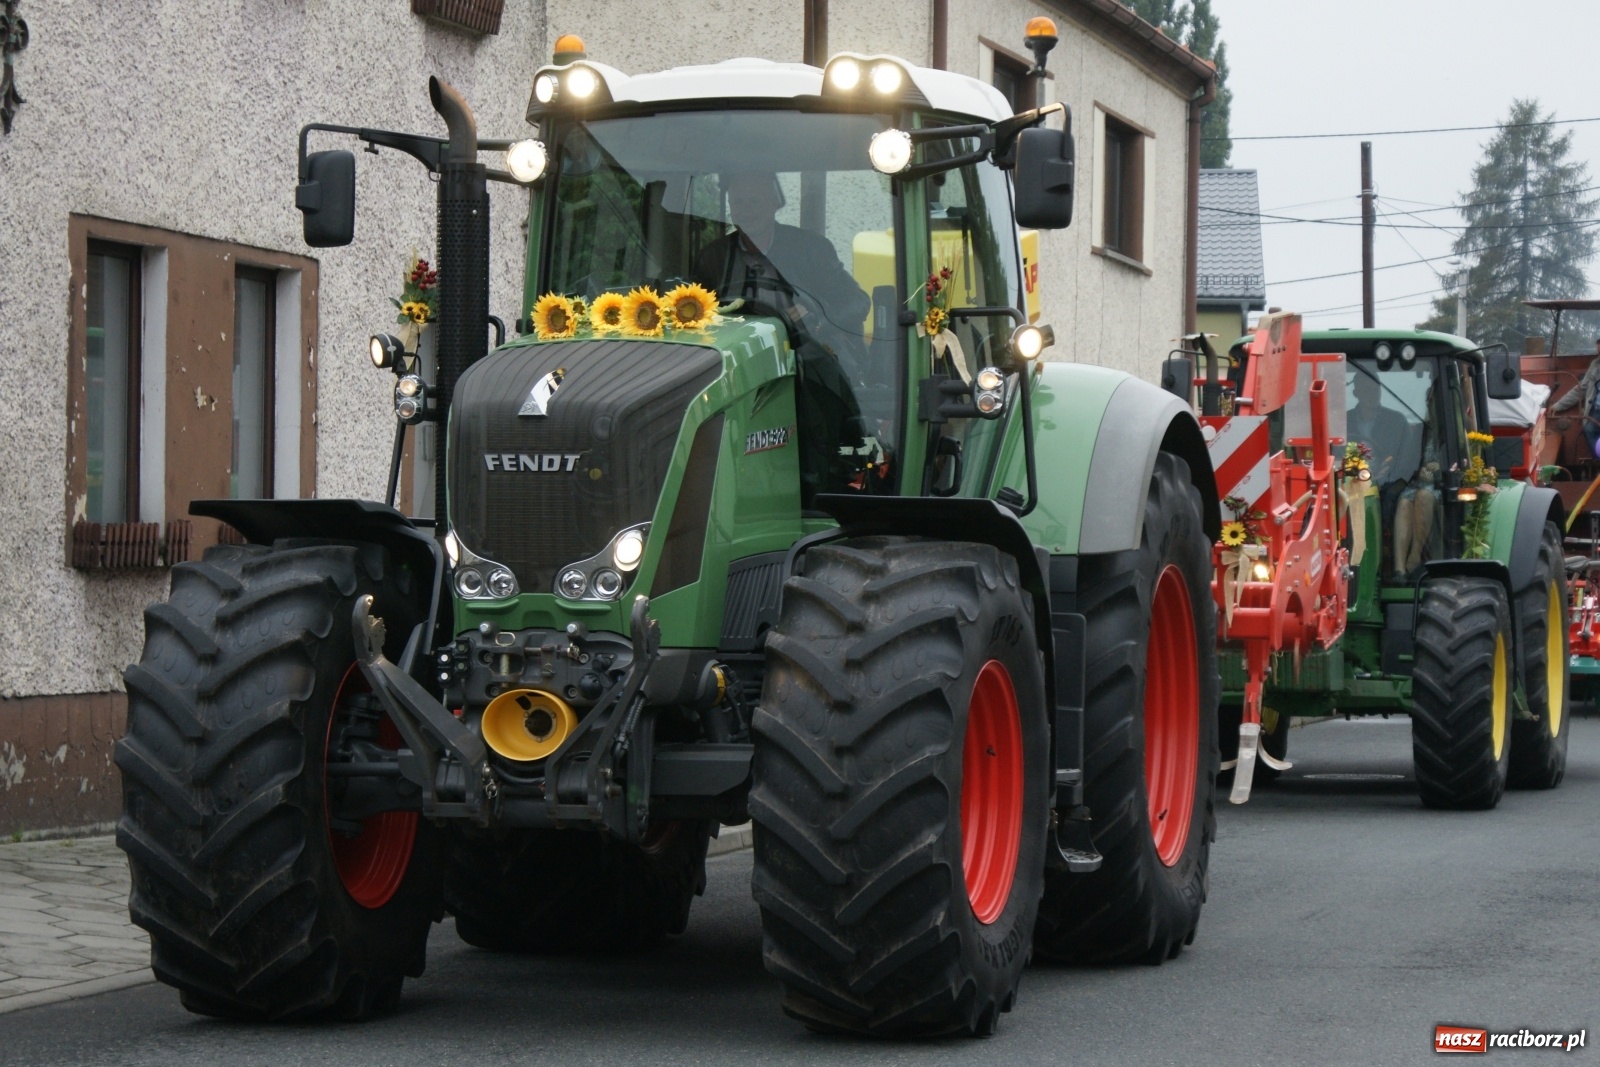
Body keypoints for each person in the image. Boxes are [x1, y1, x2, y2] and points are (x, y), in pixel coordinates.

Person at [694, 172, 870, 504]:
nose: (747, 210)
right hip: (734, 361)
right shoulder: (713, 257)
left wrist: (816, 319)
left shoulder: (812, 249)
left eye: (755, 201)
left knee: (819, 380)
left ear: (775, 202)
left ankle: (823, 473)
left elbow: (857, 301)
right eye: (739, 202)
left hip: (804, 350)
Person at [1549, 337, 1600, 457]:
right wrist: (1558, 405)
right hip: (1597, 410)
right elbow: (1581, 389)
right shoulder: (1595, 365)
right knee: (1589, 429)